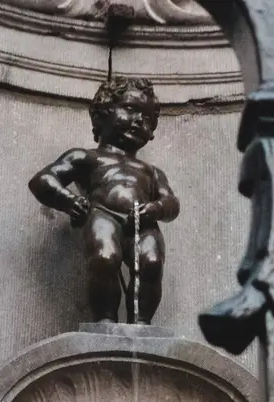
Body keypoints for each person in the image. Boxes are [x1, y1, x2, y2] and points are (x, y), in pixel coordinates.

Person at [29, 77, 180, 324]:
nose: (138, 121)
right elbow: (42, 180)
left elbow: (172, 202)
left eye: (147, 119)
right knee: (103, 258)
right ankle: (105, 319)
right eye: (130, 109)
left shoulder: (151, 171)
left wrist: (156, 208)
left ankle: (142, 323)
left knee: (151, 263)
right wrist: (69, 201)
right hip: (102, 214)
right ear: (103, 113)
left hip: (144, 221)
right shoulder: (87, 158)